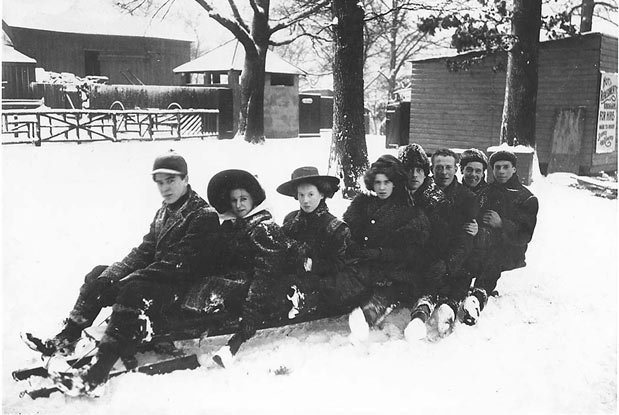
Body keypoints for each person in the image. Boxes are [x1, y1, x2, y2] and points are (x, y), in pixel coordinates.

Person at [23, 150, 221, 397]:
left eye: (171, 181)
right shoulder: (165, 211)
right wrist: (109, 277)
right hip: (161, 278)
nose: (165, 188)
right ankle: (67, 339)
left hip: (185, 288)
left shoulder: (202, 216)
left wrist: (125, 282)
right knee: (98, 274)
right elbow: (144, 251)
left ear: (186, 179)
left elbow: (178, 263)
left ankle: (96, 375)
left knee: (131, 290)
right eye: (160, 183)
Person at [202, 169, 292, 368]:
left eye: (243, 199)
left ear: (254, 200)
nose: (238, 205)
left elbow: (267, 274)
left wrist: (251, 313)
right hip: (243, 285)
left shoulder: (263, 228)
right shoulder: (236, 225)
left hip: (264, 293)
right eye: (234, 200)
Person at [343, 155, 430, 341]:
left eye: (387, 182)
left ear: (395, 183)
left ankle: (368, 316)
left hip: (394, 269)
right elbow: (349, 234)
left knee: (384, 292)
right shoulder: (362, 206)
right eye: (378, 182)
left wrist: (380, 253)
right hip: (364, 266)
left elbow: (410, 251)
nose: (382, 188)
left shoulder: (407, 212)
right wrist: (354, 248)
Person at [400, 147, 478, 341]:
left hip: (455, 258)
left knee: (457, 277)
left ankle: (448, 308)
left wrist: (448, 264)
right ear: (432, 169)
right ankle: (424, 309)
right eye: (439, 167)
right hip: (429, 255)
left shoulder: (467, 198)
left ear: (456, 169)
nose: (444, 172)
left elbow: (465, 240)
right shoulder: (422, 192)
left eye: (448, 167)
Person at [276, 166, 367, 318]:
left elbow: (340, 265)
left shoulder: (336, 228)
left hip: (324, 286)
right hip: (292, 284)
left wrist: (310, 264)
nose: (305, 200)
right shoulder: (291, 221)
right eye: (301, 195)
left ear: (322, 194)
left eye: (311, 194)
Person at [460, 150, 539, 324]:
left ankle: (477, 298)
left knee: (493, 257)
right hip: (484, 243)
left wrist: (502, 223)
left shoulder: (527, 198)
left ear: (514, 169)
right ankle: (458, 292)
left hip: (511, 250)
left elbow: (525, 235)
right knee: (468, 259)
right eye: (497, 167)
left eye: (506, 167)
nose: (501, 171)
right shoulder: (487, 191)